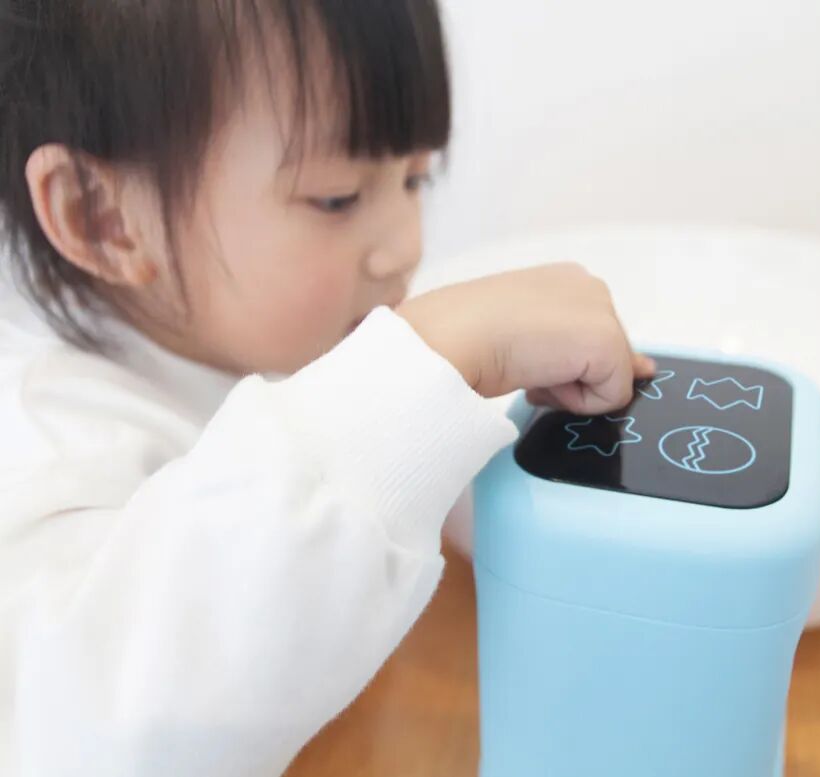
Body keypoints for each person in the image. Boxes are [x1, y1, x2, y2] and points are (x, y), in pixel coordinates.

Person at [0, 2, 654, 774]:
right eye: (337, 198)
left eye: (415, 178)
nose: (405, 245)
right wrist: (426, 360)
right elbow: (102, 727)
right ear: (104, 216)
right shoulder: (45, 444)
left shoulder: (248, 339)